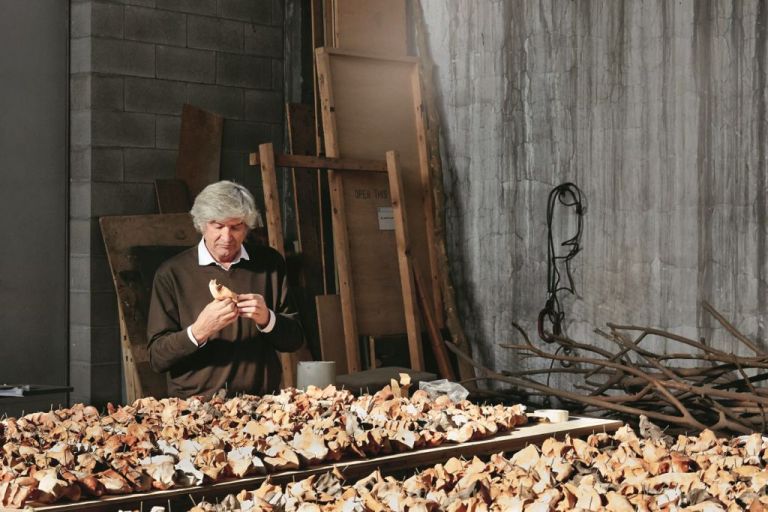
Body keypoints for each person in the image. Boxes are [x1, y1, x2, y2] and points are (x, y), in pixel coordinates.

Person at [147, 180, 303, 398]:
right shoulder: (172, 273)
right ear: (202, 225)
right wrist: (199, 330)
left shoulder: (269, 263)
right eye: (218, 226)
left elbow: (295, 339)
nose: (227, 237)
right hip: (195, 408)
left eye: (236, 227)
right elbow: (157, 358)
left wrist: (268, 319)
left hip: (261, 401)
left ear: (247, 226)